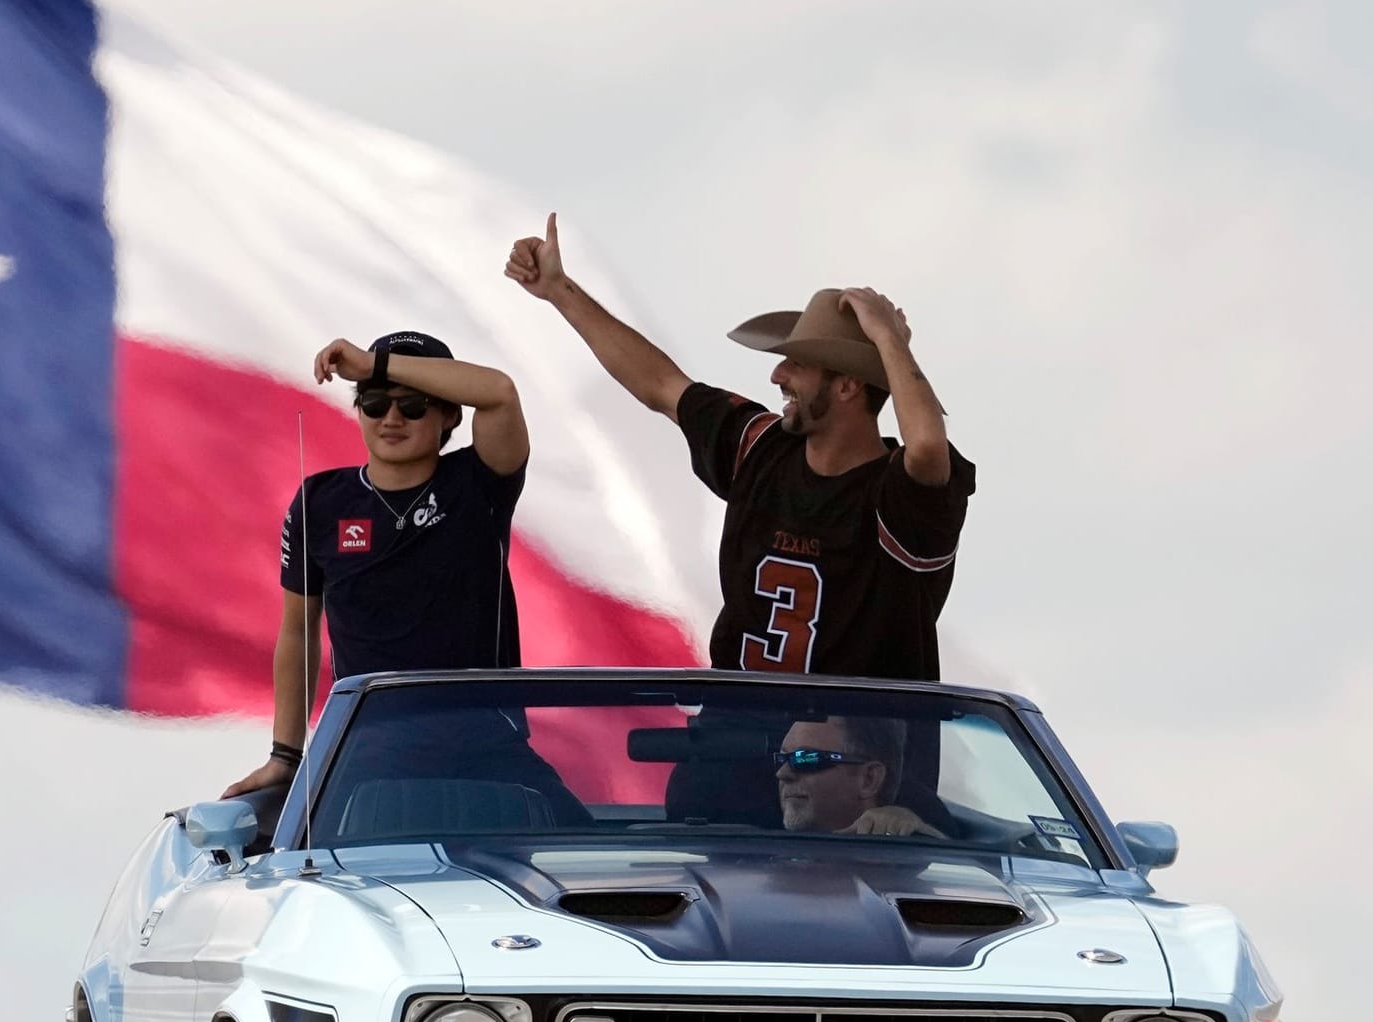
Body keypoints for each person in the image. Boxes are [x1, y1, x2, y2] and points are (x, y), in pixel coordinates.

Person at [506, 213, 975, 681]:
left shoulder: (900, 496)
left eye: (798, 363)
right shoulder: (761, 447)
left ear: (848, 387)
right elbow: (662, 384)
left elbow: (929, 445)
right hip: (739, 738)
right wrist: (558, 289)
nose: (777, 375)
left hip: (863, 752)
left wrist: (888, 339)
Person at [221, 331, 584, 822]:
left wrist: (375, 363)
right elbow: (297, 630)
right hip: (370, 754)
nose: (391, 418)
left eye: (414, 407)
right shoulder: (320, 501)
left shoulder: (480, 481)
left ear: (450, 417)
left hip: (485, 744)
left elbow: (500, 393)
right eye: (374, 403)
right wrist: (285, 758)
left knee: (592, 864)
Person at [775, 716, 940, 837]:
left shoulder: (899, 868)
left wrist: (910, 834)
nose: (782, 773)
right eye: (782, 759)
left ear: (869, 779)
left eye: (806, 758)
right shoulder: (754, 847)